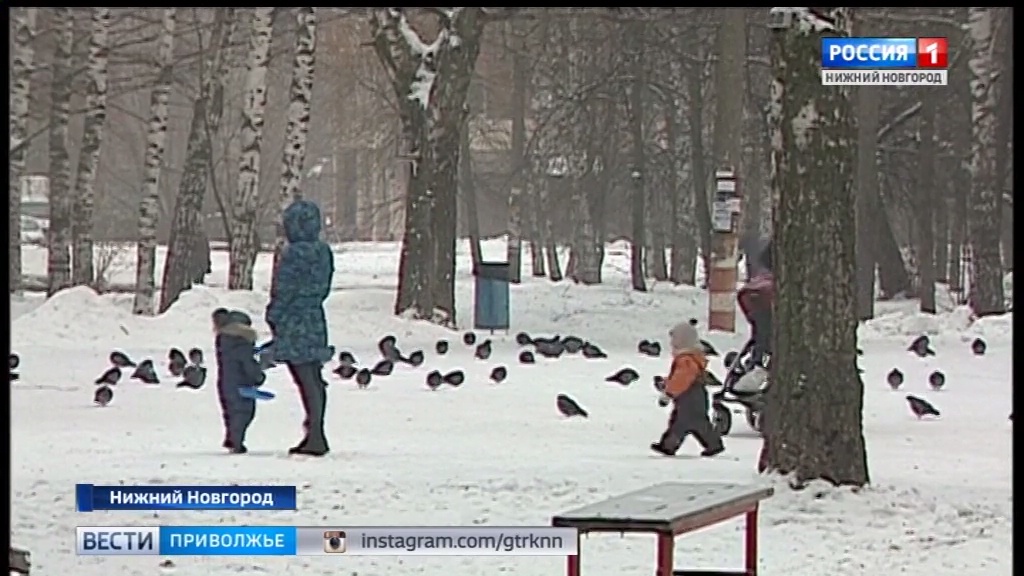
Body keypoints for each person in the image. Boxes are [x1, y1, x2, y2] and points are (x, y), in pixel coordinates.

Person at [265, 199, 335, 457]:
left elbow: (284, 290)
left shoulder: (293, 254)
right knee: (314, 378)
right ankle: (316, 429)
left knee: (304, 377)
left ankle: (315, 434)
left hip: (294, 319)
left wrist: (274, 314)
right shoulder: (323, 251)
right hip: (315, 317)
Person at [650, 321, 725, 457]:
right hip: (695, 397)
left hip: (690, 398)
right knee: (697, 423)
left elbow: (682, 379)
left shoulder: (686, 360)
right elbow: (680, 378)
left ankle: (669, 445)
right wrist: (667, 382)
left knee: (681, 423)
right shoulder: (689, 358)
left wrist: (669, 392)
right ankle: (713, 444)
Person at [213, 308, 266, 454]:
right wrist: (258, 376)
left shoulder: (224, 341)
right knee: (244, 413)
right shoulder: (241, 343)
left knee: (230, 412)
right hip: (242, 384)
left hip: (225, 383)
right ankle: (236, 441)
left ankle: (231, 437)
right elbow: (248, 364)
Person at [733, 241, 773, 394]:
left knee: (763, 335)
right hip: (767, 300)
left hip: (762, 300)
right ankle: (759, 367)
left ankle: (756, 365)